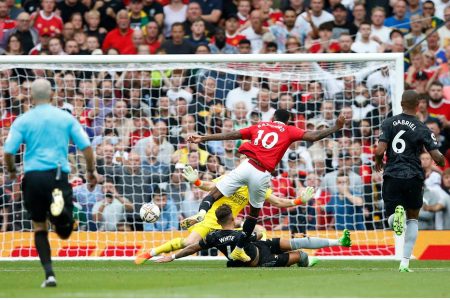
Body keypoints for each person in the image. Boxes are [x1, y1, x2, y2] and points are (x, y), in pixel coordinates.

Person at [184, 109, 345, 262]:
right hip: (262, 173)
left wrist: (203, 138)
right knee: (253, 214)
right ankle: (239, 248)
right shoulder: (289, 130)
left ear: (273, 117)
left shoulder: (260, 126)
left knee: (213, 193)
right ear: (287, 121)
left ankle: (202, 213)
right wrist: (335, 127)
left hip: (246, 165)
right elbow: (313, 136)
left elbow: (233, 134)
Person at [3, 78, 97, 287]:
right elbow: (87, 147)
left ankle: (49, 275)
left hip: (33, 177)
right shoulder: (65, 118)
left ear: (31, 97)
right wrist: (91, 171)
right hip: (56, 174)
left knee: (39, 228)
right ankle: (58, 213)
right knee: (64, 232)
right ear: (52, 95)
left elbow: (8, 152)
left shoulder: (23, 120)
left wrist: (11, 171)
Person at [134, 162, 316, 264]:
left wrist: (299, 201)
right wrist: (196, 181)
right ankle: (150, 253)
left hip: (229, 224)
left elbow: (278, 202)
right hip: (209, 218)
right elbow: (210, 186)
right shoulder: (232, 178)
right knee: (189, 242)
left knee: (259, 230)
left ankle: (262, 256)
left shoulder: (256, 186)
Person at [374, 90, 445, 272]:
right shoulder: (422, 127)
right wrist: (441, 161)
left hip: (392, 175)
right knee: (413, 219)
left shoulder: (389, 122)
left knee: (392, 217)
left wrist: (378, 162)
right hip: (413, 176)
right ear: (417, 105)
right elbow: (436, 156)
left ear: (401, 103)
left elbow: (379, 150)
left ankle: (395, 218)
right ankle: (404, 263)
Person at [154, 204, 351, 267]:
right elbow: (258, 234)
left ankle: (334, 244)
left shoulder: (214, 236)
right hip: (261, 258)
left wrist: (172, 256)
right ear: (232, 217)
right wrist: (246, 227)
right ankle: (335, 243)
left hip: (256, 249)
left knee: (295, 245)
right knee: (300, 251)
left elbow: (192, 247)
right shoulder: (242, 232)